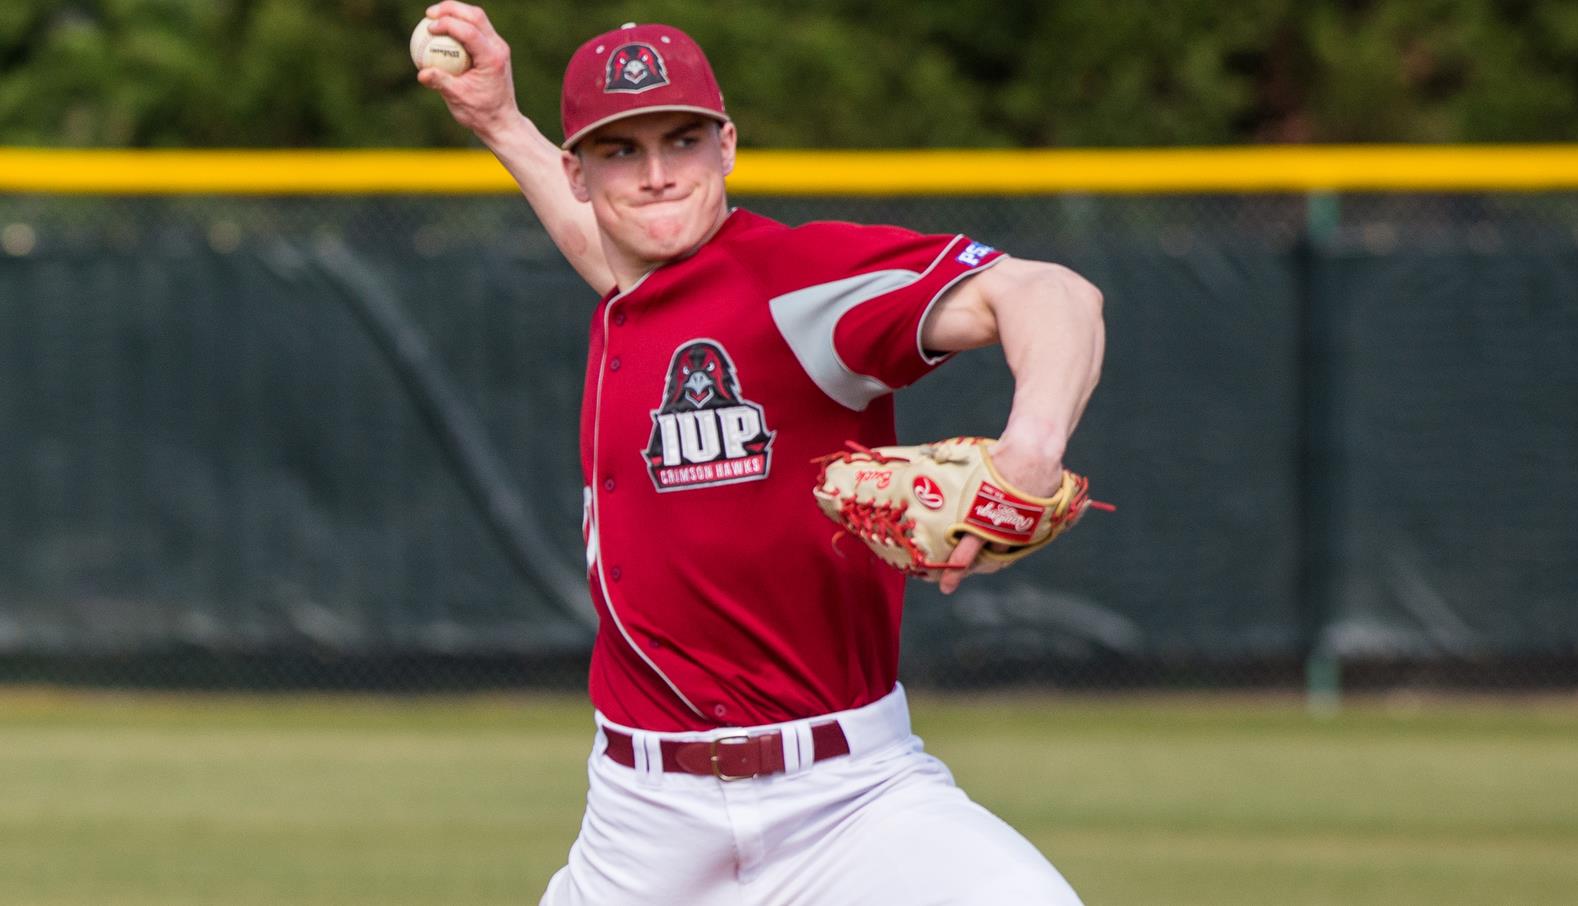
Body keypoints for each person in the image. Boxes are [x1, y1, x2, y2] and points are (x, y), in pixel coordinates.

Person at [418, 5, 1105, 903]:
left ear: (728, 145)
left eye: (682, 140)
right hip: (640, 824)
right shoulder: (639, 295)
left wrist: (1030, 447)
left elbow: (1052, 292)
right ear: (577, 173)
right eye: (622, 151)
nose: (659, 175)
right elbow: (615, 246)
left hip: (850, 804)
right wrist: (499, 122)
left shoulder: (801, 284)